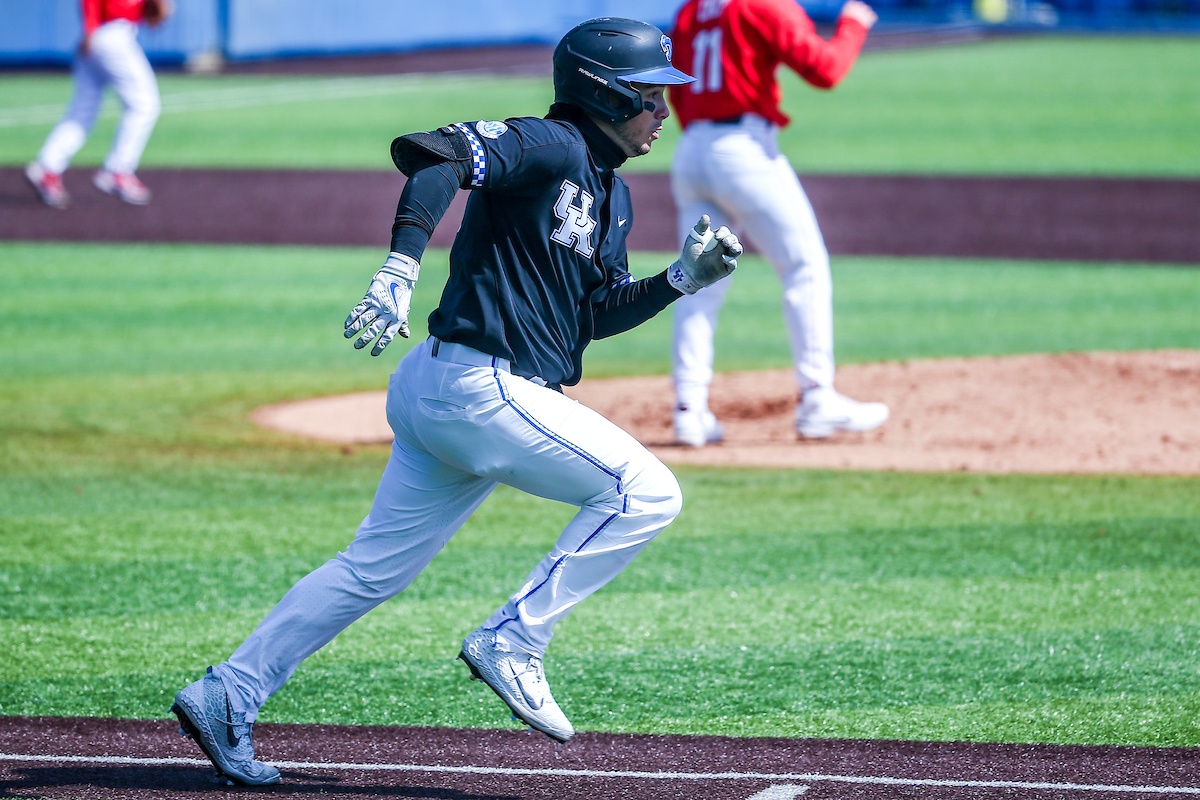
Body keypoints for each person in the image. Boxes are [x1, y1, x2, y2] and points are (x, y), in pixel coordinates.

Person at [168, 17, 742, 787]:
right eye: (649, 95)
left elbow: (591, 315)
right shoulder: (548, 142)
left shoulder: (613, 191)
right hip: (480, 389)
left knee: (371, 570)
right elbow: (437, 157)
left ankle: (228, 691)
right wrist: (401, 263)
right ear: (603, 93)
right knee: (647, 491)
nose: (663, 110)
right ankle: (514, 638)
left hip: (452, 392)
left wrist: (679, 281)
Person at [667, 0, 889, 445]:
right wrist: (853, 25)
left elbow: (677, 87)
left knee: (696, 282)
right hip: (743, 147)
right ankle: (817, 398)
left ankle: (689, 410)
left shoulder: (692, 9)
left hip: (692, 149)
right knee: (804, 266)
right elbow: (824, 69)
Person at [24, 0, 170, 209]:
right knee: (144, 105)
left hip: (103, 36)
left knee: (82, 111)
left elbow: (153, 15)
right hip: (110, 36)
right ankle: (118, 170)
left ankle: (47, 168)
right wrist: (91, 28)